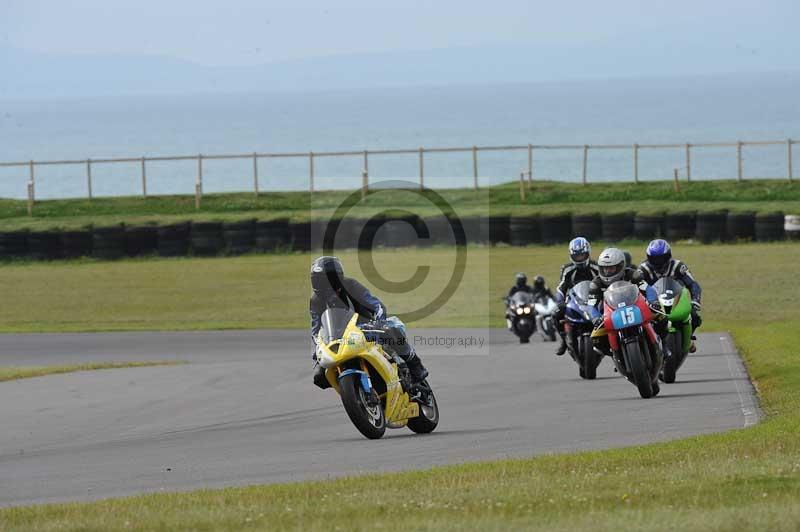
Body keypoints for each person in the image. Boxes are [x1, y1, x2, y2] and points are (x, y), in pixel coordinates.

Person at [309, 256, 428, 389]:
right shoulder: (316, 300)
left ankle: (415, 364)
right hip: (339, 338)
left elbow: (377, 306)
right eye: (319, 280)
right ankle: (352, 389)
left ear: (338, 278)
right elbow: (315, 329)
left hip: (364, 328)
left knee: (390, 331)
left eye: (328, 279)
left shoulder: (351, 286)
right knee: (319, 376)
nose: (324, 285)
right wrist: (318, 346)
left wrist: (379, 322)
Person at [637, 239, 703, 352]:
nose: (658, 262)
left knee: (695, 317)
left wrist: (695, 300)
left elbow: (693, 284)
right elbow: (636, 287)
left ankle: (687, 338)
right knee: (640, 323)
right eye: (654, 259)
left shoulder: (678, 266)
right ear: (649, 258)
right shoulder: (643, 269)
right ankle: (641, 350)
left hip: (675, 299)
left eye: (661, 258)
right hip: (654, 303)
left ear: (668, 256)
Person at [554, 237, 600, 356]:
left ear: (588, 253)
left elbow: (605, 282)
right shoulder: (567, 269)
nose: (580, 258)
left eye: (582, 255)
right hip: (575, 299)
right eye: (577, 256)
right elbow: (561, 287)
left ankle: (615, 345)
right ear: (571, 256)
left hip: (594, 300)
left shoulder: (596, 267)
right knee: (556, 313)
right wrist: (560, 300)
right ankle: (564, 340)